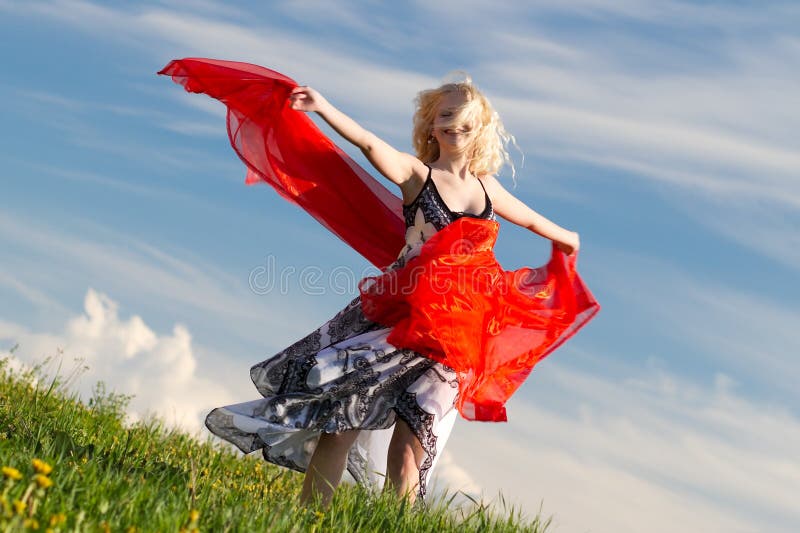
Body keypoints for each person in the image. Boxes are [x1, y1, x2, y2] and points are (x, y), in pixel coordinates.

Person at [202, 73, 581, 508]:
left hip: (454, 338)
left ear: (480, 128)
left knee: (409, 448)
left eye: (465, 118)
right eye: (446, 116)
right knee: (339, 423)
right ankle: (309, 519)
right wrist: (323, 108)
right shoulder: (416, 174)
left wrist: (568, 238)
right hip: (398, 319)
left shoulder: (487, 189)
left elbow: (533, 221)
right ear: (432, 126)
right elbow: (366, 143)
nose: (455, 125)